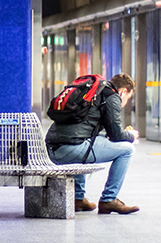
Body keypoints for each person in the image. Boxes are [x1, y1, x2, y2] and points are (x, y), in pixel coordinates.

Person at [46, 73, 140, 214]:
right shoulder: (112, 96)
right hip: (70, 149)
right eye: (128, 97)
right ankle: (109, 199)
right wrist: (131, 136)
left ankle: (78, 199)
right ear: (123, 92)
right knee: (127, 150)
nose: (126, 101)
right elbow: (117, 134)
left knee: (87, 142)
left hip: (52, 148)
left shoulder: (95, 92)